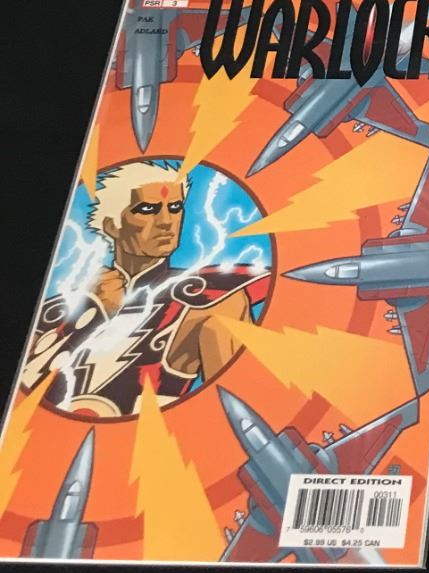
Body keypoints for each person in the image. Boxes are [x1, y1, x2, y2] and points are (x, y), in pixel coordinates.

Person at [21, 161, 267, 417]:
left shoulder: (212, 298)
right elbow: (21, 399)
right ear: (111, 225)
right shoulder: (56, 310)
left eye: (175, 208)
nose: (166, 222)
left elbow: (237, 410)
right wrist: (87, 315)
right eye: (148, 209)